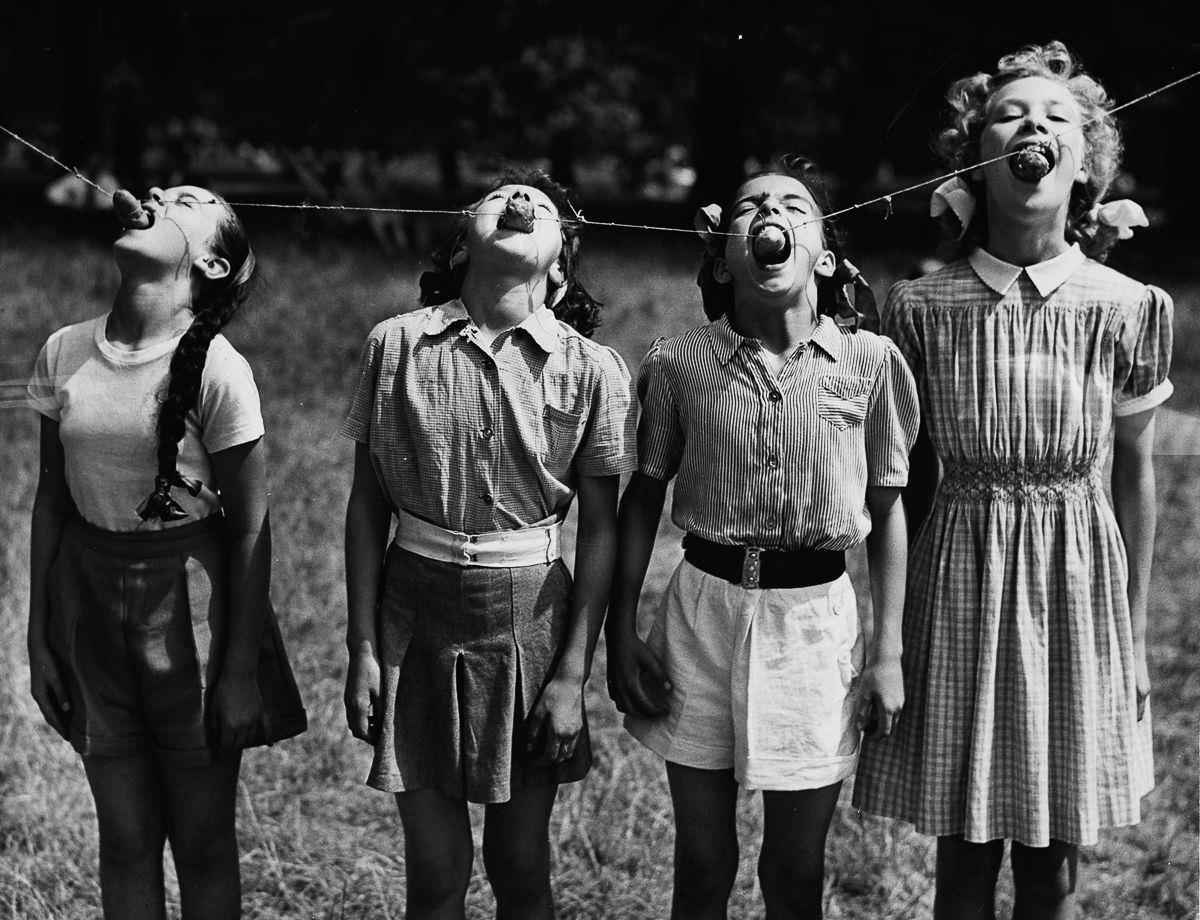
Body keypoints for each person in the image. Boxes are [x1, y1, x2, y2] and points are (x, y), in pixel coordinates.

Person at [852, 41, 1172, 920]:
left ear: (1086, 164)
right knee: (964, 847)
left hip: (1077, 583)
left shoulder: (1127, 305)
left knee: (1050, 858)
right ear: (976, 160)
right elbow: (898, 486)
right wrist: (890, 638)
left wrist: (1134, 638)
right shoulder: (921, 308)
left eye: (1057, 117)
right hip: (960, 574)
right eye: (1010, 115)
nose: (1034, 127)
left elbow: (1136, 476)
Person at [607, 156, 920, 920]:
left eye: (793, 205)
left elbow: (888, 509)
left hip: (813, 627)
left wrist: (887, 653)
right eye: (750, 206)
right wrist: (620, 631)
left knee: (794, 869)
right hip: (702, 617)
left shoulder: (871, 362)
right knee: (702, 863)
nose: (771, 214)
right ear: (723, 256)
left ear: (825, 256)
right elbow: (642, 499)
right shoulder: (678, 362)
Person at [342, 168, 636, 920]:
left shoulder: (593, 368)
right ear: (460, 245)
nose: (521, 203)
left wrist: (571, 677)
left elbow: (601, 530)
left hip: (529, 622)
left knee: (519, 864)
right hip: (415, 613)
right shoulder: (396, 345)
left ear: (560, 268)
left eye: (542, 206)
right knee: (436, 870)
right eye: (500, 198)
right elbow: (367, 505)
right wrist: (363, 647)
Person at [26, 185, 307, 920]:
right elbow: (52, 501)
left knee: (203, 844)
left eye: (184, 199)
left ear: (212, 264)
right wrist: (38, 638)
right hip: (88, 608)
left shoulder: (219, 369)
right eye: (160, 189)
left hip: (192, 616)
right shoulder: (63, 350)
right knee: (124, 841)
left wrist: (237, 673)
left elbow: (249, 529)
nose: (153, 194)